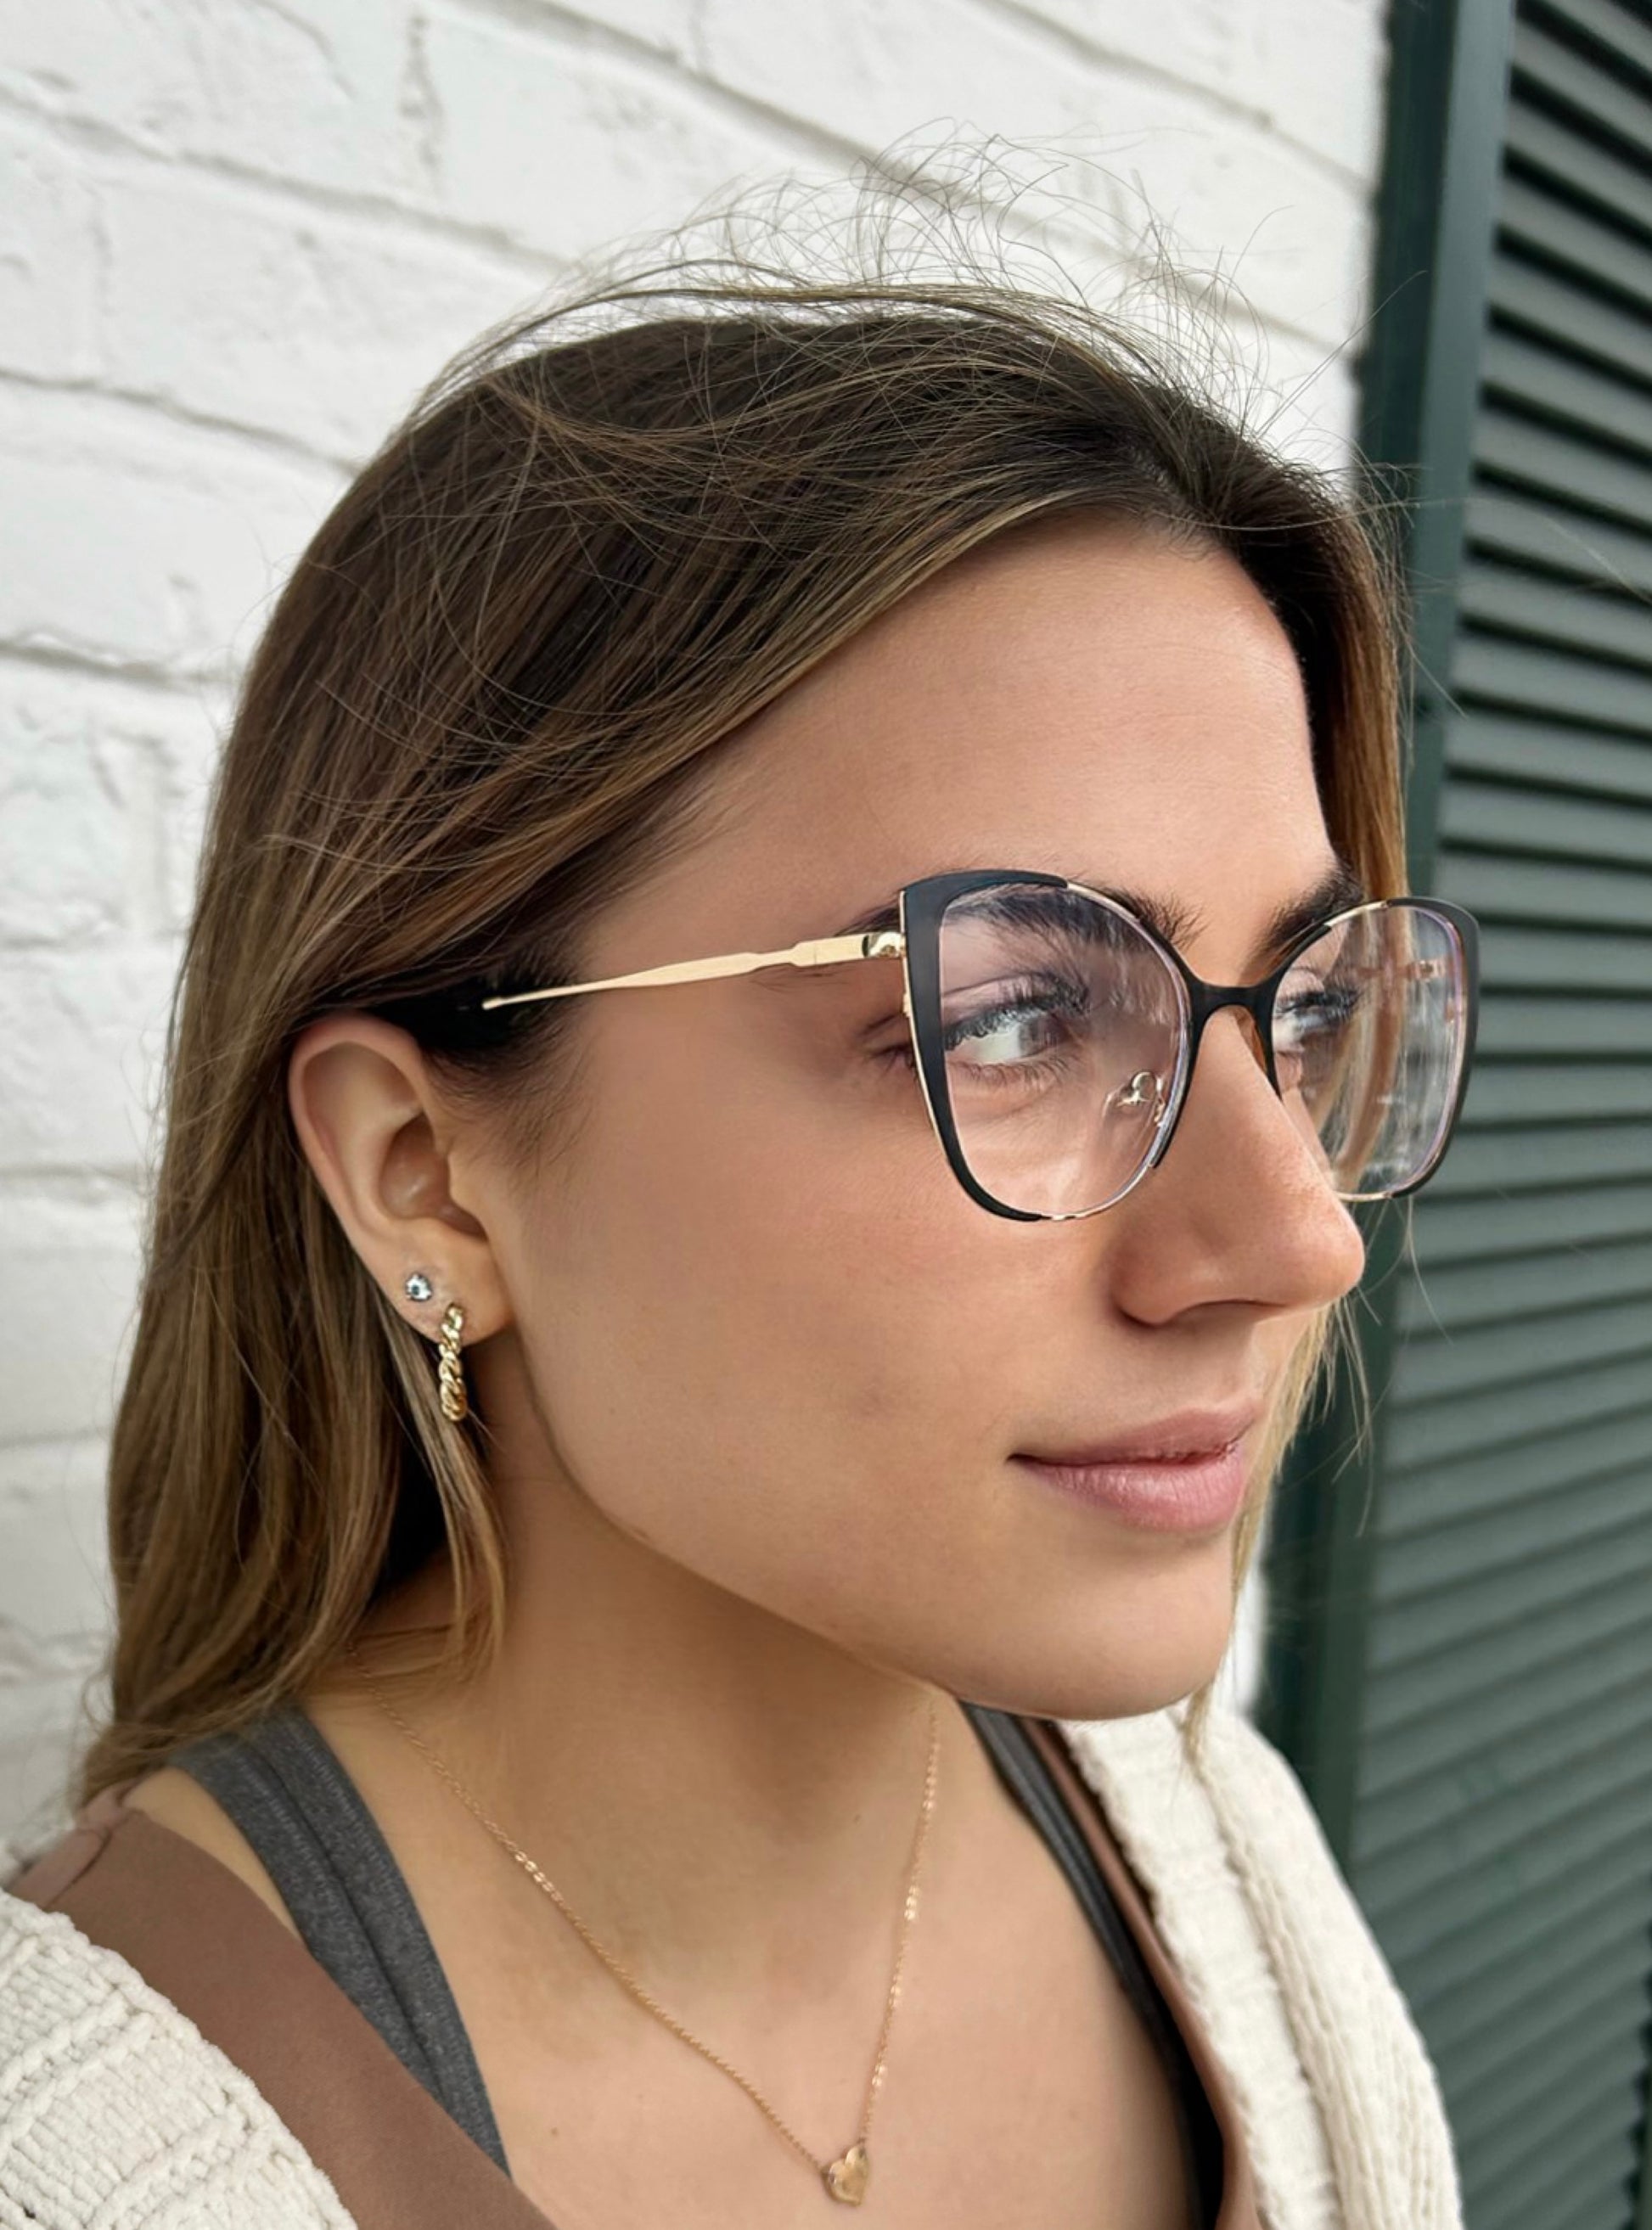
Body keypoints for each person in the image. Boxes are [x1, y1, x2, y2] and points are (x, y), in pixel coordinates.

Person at [1, 187, 1475, 2230]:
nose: (1299, 1238)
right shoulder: (81, 2165)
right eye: (1015, 1017)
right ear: (425, 1177)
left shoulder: (1214, 1855)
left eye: (1299, 1012)